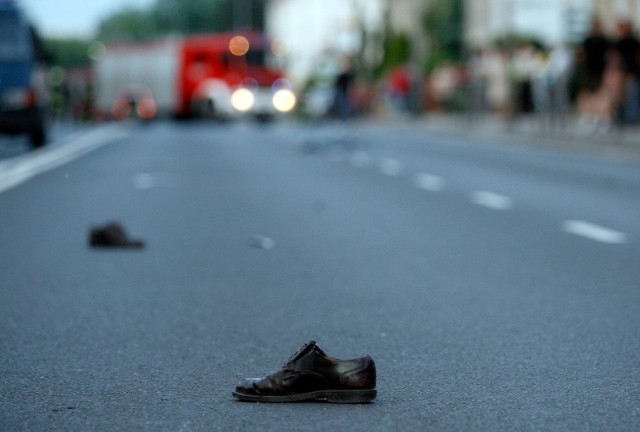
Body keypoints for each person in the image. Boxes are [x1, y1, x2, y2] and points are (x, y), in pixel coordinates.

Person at [614, 20, 640, 124]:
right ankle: (624, 117)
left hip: (631, 73)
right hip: (623, 73)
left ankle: (629, 118)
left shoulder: (632, 42)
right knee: (624, 96)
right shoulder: (621, 42)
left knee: (631, 95)